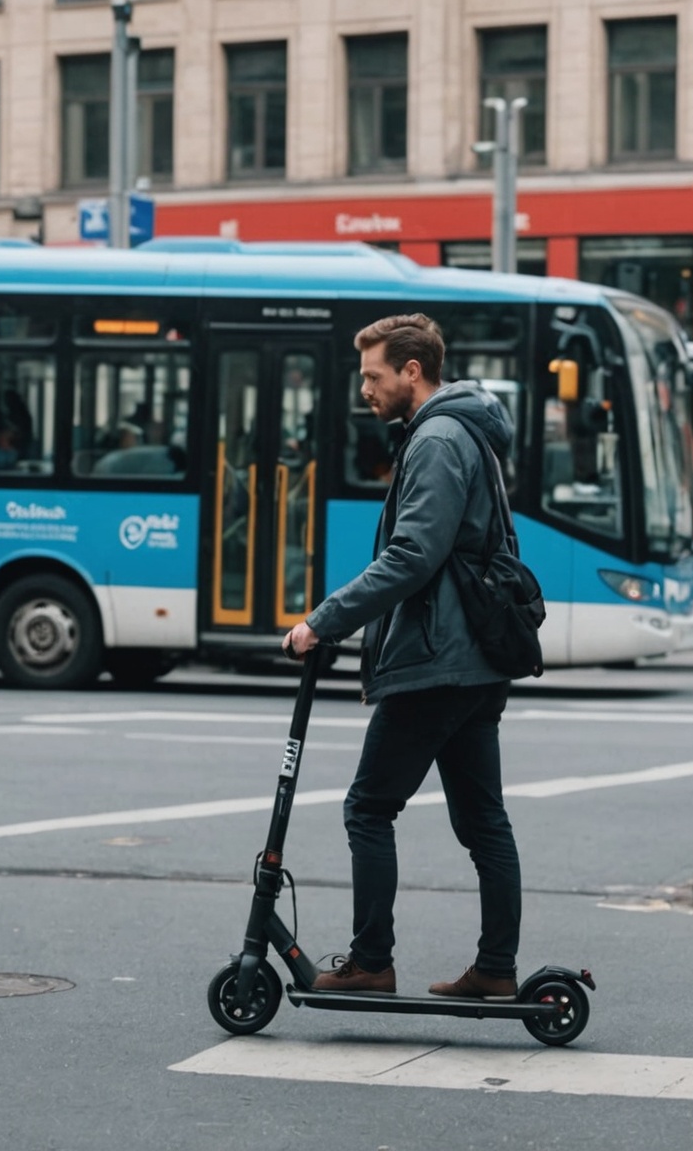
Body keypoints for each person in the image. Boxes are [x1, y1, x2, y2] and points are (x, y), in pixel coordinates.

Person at [282, 313, 523, 1000]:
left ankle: (370, 962)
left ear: (412, 372)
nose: (366, 389)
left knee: (368, 808)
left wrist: (321, 623)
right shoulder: (456, 431)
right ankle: (496, 969)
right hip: (470, 657)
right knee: (482, 822)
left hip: (438, 658)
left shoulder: (440, 438)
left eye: (373, 375)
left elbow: (414, 554)